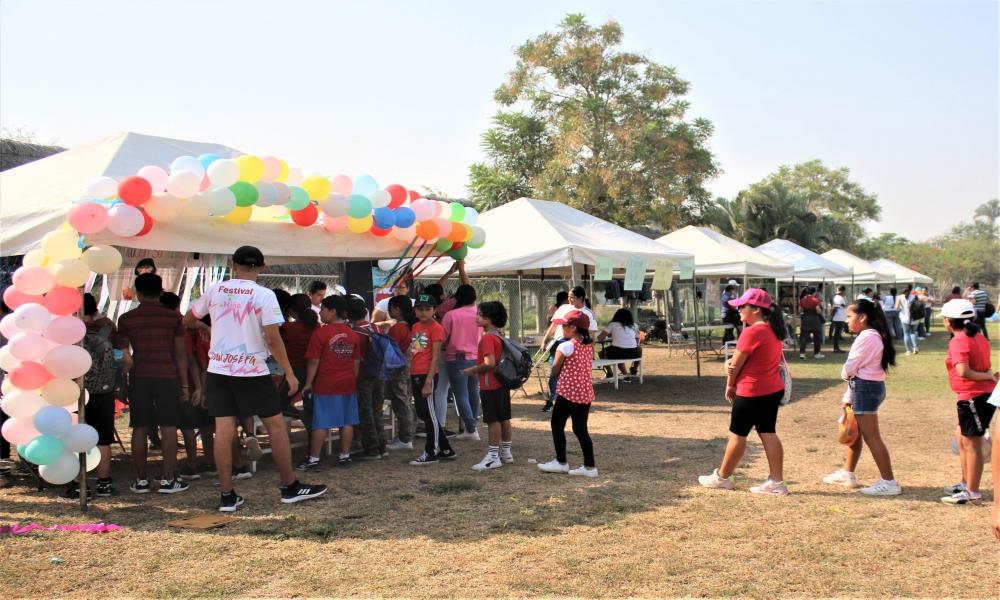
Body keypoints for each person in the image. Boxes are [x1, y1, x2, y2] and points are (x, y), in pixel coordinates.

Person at [184, 246, 326, 512]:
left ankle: (227, 495)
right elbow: (273, 339)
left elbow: (188, 320)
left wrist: (204, 326)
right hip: (251, 370)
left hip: (219, 370)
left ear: (233, 265)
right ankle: (289, 486)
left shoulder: (216, 290)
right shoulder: (264, 295)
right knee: (276, 426)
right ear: (262, 267)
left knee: (223, 431)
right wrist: (289, 372)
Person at [699, 288, 788, 494]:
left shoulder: (752, 331)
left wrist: (730, 384)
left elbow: (734, 365)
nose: (738, 310)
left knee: (737, 434)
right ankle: (776, 482)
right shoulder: (772, 329)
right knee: (768, 432)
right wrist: (731, 366)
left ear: (756, 309)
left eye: (742, 306)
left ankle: (722, 477)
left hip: (751, 390)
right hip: (771, 388)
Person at [117, 273, 191, 495]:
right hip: (167, 376)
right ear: (161, 292)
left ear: (138, 294)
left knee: (139, 427)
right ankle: (168, 479)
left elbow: (124, 357)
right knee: (169, 426)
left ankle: (141, 480)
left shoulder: (127, 319)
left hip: (139, 376)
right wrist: (185, 385)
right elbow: (180, 354)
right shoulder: (173, 318)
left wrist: (122, 382)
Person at [823, 299, 901, 496]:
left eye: (849, 316)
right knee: (855, 432)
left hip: (865, 388)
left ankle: (889, 482)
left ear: (863, 317)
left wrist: (845, 376)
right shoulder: (873, 335)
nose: (847, 320)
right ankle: (848, 473)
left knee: (872, 437)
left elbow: (851, 366)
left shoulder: (867, 337)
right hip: (864, 387)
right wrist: (849, 394)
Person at [939, 299, 998, 506]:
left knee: (972, 444)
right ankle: (965, 483)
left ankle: (972, 491)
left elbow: (963, 371)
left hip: (974, 395)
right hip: (974, 395)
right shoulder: (979, 337)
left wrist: (988, 376)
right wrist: (988, 376)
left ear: (948, 322)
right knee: (963, 439)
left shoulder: (958, 340)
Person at [65, 293, 119, 498]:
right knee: (104, 439)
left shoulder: (69, 333)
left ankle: (79, 485)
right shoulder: (106, 331)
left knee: (75, 438)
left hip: (77, 391)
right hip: (104, 391)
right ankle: (104, 483)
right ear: (95, 310)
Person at [298, 295, 361, 469]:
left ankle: (314, 459)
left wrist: (308, 383)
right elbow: (356, 361)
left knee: (321, 421)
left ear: (333, 311)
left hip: (326, 382)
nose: (320, 313)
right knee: (347, 421)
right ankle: (345, 456)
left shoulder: (320, 333)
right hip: (347, 383)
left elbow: (313, 361)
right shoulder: (352, 334)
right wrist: (352, 379)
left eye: (323, 309)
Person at [538, 309, 598, 477]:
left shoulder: (565, 346)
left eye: (564, 325)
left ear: (573, 327)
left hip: (568, 392)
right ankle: (590, 467)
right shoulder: (588, 345)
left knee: (557, 425)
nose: (561, 328)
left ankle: (561, 462)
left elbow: (555, 369)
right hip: (585, 393)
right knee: (580, 429)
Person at [159, 292, 210, 482]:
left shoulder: (179, 329)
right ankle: (190, 464)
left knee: (182, 425)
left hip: (180, 384)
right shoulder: (182, 326)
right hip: (183, 383)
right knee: (185, 425)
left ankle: (189, 464)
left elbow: (191, 360)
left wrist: (195, 387)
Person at [464, 301, 513, 471]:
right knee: (504, 417)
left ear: (489, 318)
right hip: (502, 383)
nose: (476, 317)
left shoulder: (487, 338)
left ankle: (493, 457)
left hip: (490, 384)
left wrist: (472, 370)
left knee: (493, 420)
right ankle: (506, 452)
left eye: (480, 314)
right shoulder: (500, 334)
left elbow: (489, 362)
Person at [408, 293, 454, 465]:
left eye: (427, 309)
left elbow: (435, 357)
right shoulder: (415, 326)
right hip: (416, 372)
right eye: (420, 309)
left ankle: (431, 451)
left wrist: (428, 381)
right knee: (423, 412)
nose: (423, 312)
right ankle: (446, 449)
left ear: (434, 310)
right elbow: (416, 351)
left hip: (427, 374)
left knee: (429, 414)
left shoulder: (436, 328)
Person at [540, 286, 598, 412]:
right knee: (554, 373)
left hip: (575, 346)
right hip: (559, 344)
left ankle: (571, 402)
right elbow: (554, 325)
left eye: (572, 297)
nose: (569, 300)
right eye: (568, 297)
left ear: (581, 298)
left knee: (572, 376)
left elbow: (591, 335)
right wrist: (545, 341)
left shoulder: (588, 313)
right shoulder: (563, 308)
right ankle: (551, 401)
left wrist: (589, 349)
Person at [347, 296, 387, 460]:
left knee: (365, 412)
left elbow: (355, 358)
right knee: (377, 410)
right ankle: (382, 446)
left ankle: (372, 449)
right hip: (379, 373)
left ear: (347, 315)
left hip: (363, 375)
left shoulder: (354, 333)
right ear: (365, 312)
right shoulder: (377, 328)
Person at [442, 284, 482, 440]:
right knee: (473, 391)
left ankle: (471, 429)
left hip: (456, 358)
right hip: (476, 357)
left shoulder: (451, 315)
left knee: (461, 394)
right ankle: (472, 427)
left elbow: (443, 338)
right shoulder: (480, 313)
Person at [384, 295, 416, 451]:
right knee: (406, 401)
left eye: (390, 309)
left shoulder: (397, 328)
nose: (389, 312)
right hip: (412, 368)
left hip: (397, 370)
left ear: (397, 309)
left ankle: (405, 438)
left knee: (401, 403)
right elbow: (419, 348)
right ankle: (407, 435)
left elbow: (389, 350)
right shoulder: (414, 326)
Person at [280, 294, 318, 418]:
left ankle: (301, 415)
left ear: (291, 311)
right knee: (309, 404)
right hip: (314, 371)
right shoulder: (316, 326)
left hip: (295, 371)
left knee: (278, 404)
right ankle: (308, 419)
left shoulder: (287, 328)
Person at [597, 308, 641, 380]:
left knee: (602, 353)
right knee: (636, 349)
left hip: (619, 352)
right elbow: (637, 338)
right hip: (634, 353)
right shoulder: (634, 325)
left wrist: (611, 335)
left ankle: (610, 373)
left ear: (617, 316)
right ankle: (634, 369)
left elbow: (600, 338)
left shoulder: (613, 324)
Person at [798, 287, 825, 359]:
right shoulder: (815, 300)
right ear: (814, 292)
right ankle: (817, 353)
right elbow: (818, 311)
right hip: (815, 320)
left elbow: (800, 310)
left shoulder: (802, 300)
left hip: (805, 320)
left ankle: (802, 354)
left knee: (804, 338)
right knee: (817, 337)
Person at [897, 284, 919, 355]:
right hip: (914, 318)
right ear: (911, 289)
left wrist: (901, 308)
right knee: (913, 332)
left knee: (906, 334)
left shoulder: (900, 297)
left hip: (904, 317)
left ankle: (908, 351)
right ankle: (915, 348)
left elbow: (897, 308)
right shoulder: (914, 296)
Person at [829, 286, 848, 354]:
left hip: (840, 318)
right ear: (843, 291)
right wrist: (832, 316)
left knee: (837, 333)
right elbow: (835, 308)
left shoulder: (840, 298)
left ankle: (836, 348)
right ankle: (836, 349)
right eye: (844, 291)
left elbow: (841, 306)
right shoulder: (838, 298)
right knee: (837, 334)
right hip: (838, 318)